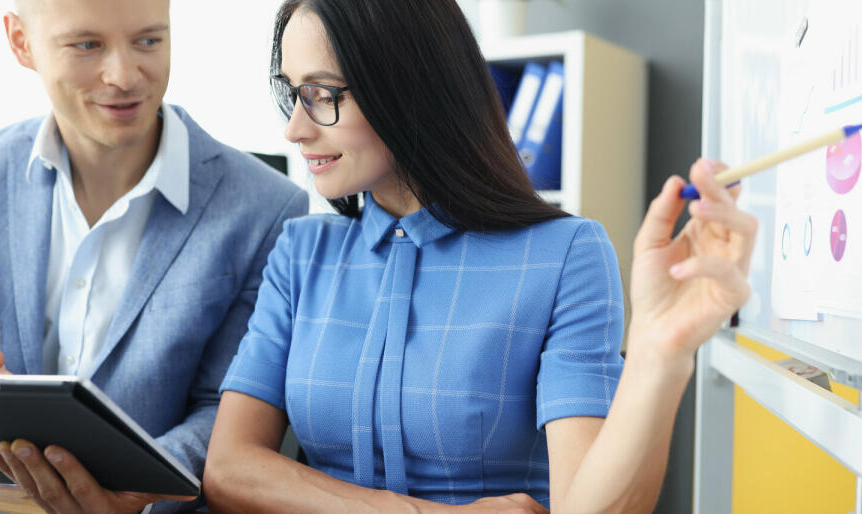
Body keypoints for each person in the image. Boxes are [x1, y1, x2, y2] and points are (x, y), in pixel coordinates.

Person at [192, 1, 756, 513]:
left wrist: (660, 351)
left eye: (322, 94)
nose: (294, 128)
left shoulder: (565, 256)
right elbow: (229, 470)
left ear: (407, 88)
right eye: (293, 92)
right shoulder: (300, 255)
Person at [0, 0, 307, 512]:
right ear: (22, 42)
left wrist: (137, 489)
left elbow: (225, 411)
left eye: (149, 40)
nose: (125, 75)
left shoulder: (265, 206)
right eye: (87, 45)